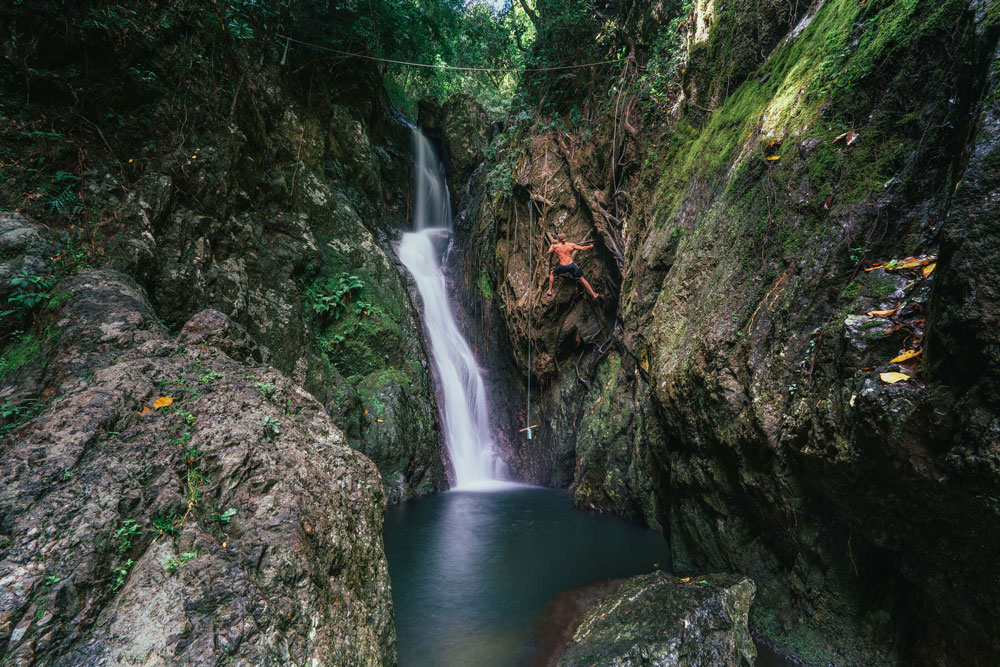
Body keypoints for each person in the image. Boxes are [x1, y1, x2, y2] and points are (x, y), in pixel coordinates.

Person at [546, 233, 599, 299]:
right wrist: (590, 246)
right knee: (582, 279)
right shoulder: (571, 245)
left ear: (558, 239)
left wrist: (551, 245)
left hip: (563, 266)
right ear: (565, 239)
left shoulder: (555, 246)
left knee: (552, 273)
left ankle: (550, 291)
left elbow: (549, 251)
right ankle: (593, 293)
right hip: (571, 266)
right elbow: (583, 248)